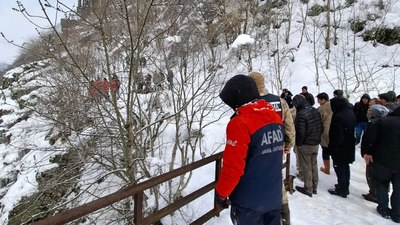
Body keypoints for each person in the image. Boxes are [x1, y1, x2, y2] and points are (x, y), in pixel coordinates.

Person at [215, 75, 284, 225]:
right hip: (273, 196)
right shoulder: (274, 117)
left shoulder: (240, 123)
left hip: (249, 201)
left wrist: (221, 193)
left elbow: (233, 168)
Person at [249, 71, 295, 225]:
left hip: (256, 154)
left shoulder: (250, 103)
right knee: (277, 183)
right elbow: (289, 127)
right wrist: (287, 146)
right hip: (276, 150)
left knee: (256, 185)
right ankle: (283, 217)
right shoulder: (280, 101)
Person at [361, 106, 400, 223]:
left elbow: (371, 139)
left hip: (382, 160)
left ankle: (383, 208)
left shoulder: (383, 122)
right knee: (398, 189)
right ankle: (397, 213)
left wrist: (367, 153)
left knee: (382, 184)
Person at [292, 94, 323, 197]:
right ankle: (314, 186)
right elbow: (321, 126)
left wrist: (298, 144)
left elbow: (300, 131)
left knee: (306, 166)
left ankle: (308, 188)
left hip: (306, 143)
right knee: (313, 164)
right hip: (315, 142)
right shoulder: (315, 110)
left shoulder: (301, 114)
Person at [327, 97, 356, 198]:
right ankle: (344, 186)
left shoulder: (339, 116)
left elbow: (337, 135)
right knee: (345, 167)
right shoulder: (350, 113)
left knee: (340, 168)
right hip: (349, 145)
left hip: (340, 147)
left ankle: (342, 189)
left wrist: (334, 149)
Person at [360, 104, 389, 204]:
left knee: (372, 174)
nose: (368, 112)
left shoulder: (374, 124)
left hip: (373, 155)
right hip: (379, 154)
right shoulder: (384, 122)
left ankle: (374, 194)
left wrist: (367, 152)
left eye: (370, 111)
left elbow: (370, 140)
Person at [316, 92, 333, 175]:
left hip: (325, 131)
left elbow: (317, 121)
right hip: (334, 130)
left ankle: (327, 169)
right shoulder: (333, 105)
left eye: (319, 100)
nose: (318, 101)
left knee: (325, 150)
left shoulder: (321, 108)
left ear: (323, 100)